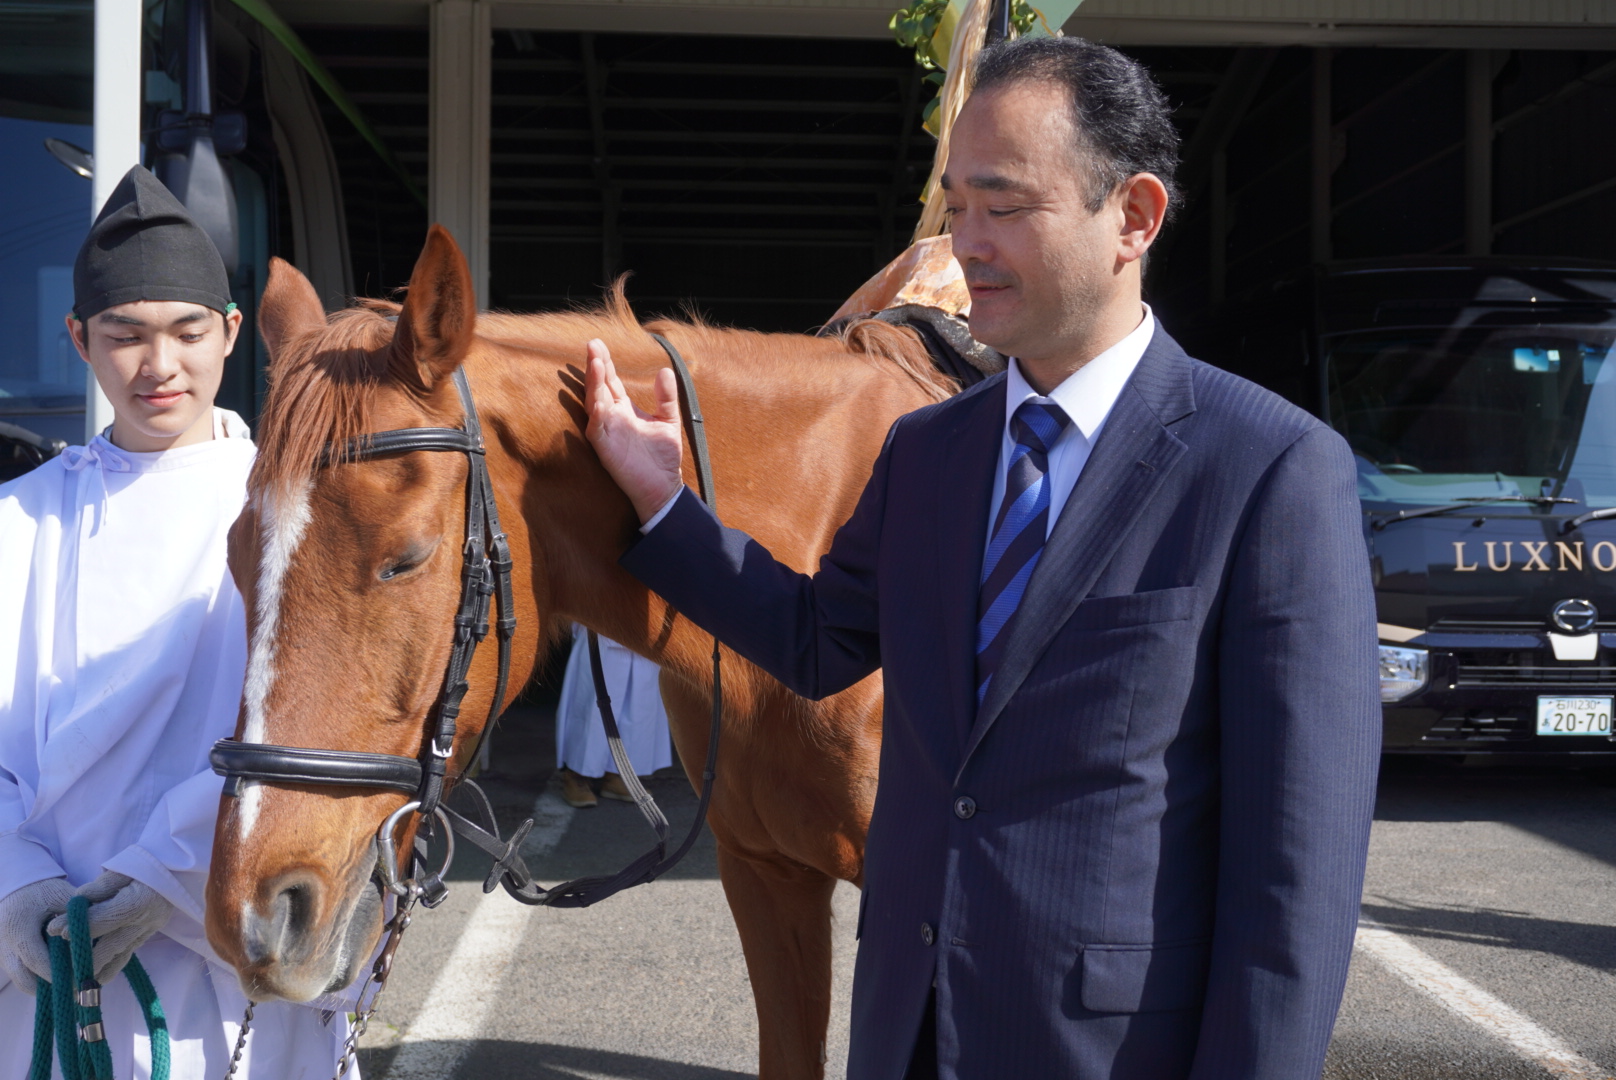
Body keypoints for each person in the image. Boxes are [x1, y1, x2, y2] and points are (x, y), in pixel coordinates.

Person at [583, 37, 1380, 1080]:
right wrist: (664, 506)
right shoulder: (927, 452)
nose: (964, 248)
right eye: (956, 208)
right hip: (907, 1036)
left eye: (1003, 208)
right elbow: (819, 640)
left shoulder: (1269, 470)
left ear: (1132, 217)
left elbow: (1295, 872)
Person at [0, 166, 354, 1078]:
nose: (159, 366)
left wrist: (165, 870)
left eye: (187, 332)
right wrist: (15, 882)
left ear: (232, 334)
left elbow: (327, 723)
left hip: (228, 939)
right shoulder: (17, 521)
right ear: (80, 339)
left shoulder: (296, 515)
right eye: (126, 335)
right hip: (44, 959)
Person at [554, 623, 674, 808]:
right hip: (605, 622)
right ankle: (576, 775)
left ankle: (616, 774)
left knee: (640, 706)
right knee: (592, 706)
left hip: (648, 626)